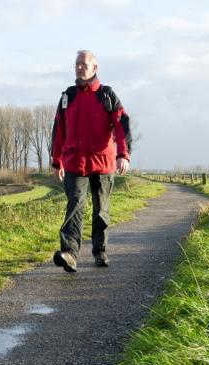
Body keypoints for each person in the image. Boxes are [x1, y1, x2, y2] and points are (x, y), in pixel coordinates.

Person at [51, 49, 131, 273]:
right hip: (75, 162)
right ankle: (69, 254)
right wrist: (57, 161)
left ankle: (100, 251)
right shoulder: (68, 96)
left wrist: (123, 155)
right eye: (77, 64)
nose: (79, 67)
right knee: (74, 206)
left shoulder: (106, 95)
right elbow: (59, 129)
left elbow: (121, 124)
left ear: (94, 68)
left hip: (103, 163)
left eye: (84, 64)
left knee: (100, 209)